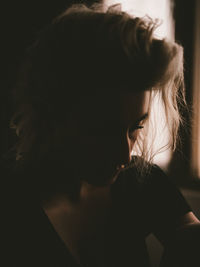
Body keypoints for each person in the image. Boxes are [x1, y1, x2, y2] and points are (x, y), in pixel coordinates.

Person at [4, 3, 200, 267]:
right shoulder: (12, 205)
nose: (125, 154)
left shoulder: (139, 180)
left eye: (136, 128)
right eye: (103, 130)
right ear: (52, 113)